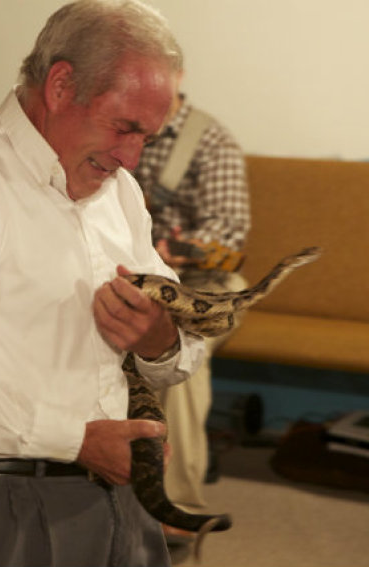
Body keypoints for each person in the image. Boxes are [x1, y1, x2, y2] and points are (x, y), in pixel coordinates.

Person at [0, 1, 207, 566]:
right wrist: (76, 439)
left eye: (147, 137)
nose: (131, 158)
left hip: (121, 495)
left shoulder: (118, 192)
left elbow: (178, 350)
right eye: (124, 127)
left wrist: (157, 339)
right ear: (61, 84)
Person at [131, 87, 251, 543]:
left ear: (175, 76)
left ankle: (177, 507)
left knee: (179, 355)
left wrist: (172, 250)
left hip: (205, 288)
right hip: (130, 283)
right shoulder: (110, 130)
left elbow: (230, 237)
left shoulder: (210, 141)